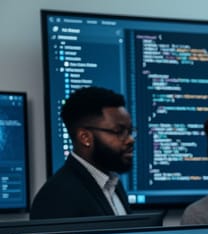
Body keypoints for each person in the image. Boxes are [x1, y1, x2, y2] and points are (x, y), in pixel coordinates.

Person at [31, 86, 134, 219]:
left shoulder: (113, 183)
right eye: (119, 131)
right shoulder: (57, 196)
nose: (130, 140)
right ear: (85, 138)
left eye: (130, 131)